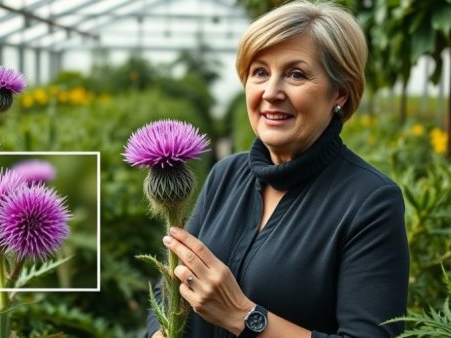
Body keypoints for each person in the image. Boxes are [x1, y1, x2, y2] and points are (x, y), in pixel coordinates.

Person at [147, 1, 409, 337]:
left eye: (296, 74)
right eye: (259, 72)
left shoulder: (370, 202)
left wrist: (242, 315)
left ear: (340, 93)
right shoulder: (225, 175)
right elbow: (168, 287)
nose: (271, 92)